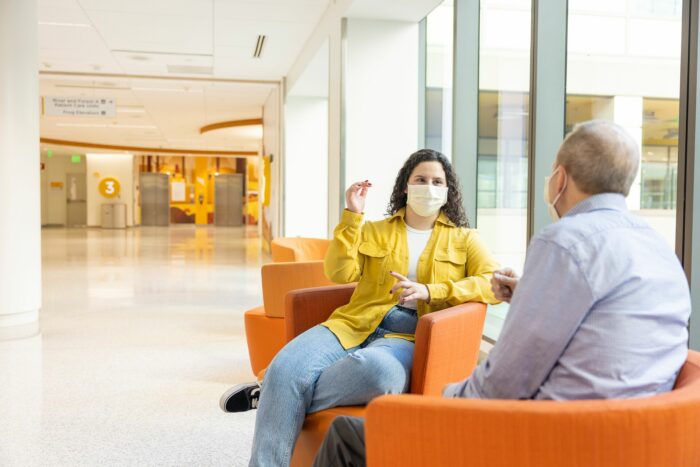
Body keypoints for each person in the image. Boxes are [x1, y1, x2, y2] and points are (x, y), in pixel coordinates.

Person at [313, 120, 692, 467]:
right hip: (635, 440)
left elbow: (505, 382)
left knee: (347, 436)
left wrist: (442, 403)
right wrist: (528, 294)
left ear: (559, 179)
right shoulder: (659, 249)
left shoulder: (564, 242)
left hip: (547, 438)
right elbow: (604, 322)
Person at [219, 149, 500, 466]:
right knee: (284, 366)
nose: (430, 187)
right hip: (352, 323)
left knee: (378, 374)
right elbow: (339, 273)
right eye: (421, 179)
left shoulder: (466, 239)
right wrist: (352, 216)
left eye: (438, 181)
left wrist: (430, 291)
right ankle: (278, 387)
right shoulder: (374, 230)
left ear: (448, 191)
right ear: (405, 186)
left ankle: (273, 393)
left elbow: (491, 282)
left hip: (406, 338)